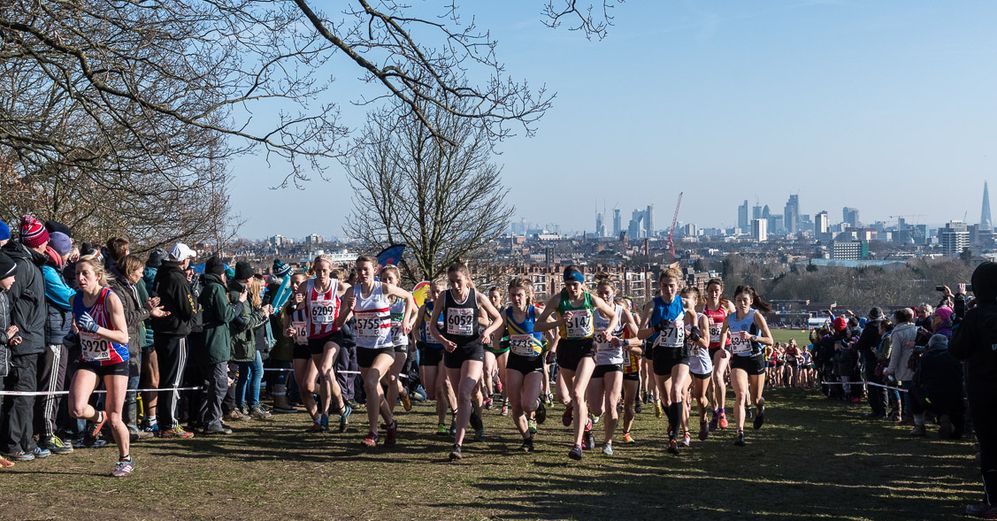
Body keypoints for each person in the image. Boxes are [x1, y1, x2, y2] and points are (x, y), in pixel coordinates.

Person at [535, 265, 617, 461]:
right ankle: (586, 424)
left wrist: (609, 331)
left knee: (578, 393)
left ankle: (576, 444)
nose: (572, 288)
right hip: (566, 348)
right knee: (572, 397)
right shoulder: (558, 300)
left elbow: (613, 315)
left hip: (587, 348)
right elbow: (538, 325)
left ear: (583, 283)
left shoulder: (590, 299)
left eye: (575, 284)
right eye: (568, 284)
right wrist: (559, 322)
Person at [335, 257, 414, 447]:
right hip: (363, 348)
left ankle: (373, 432)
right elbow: (339, 323)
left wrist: (406, 320)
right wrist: (349, 310)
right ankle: (391, 423)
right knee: (374, 390)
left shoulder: (383, 289)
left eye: (366, 269)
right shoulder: (352, 292)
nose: (362, 273)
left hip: (385, 347)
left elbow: (410, 298)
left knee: (370, 382)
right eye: (359, 270)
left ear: (375, 270)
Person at [67, 255, 134, 477]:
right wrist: (76, 330)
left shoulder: (110, 298)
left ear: (98, 276)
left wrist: (96, 328)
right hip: (91, 359)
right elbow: (77, 326)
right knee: (76, 409)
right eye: (77, 273)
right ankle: (98, 417)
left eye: (85, 273)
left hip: (115, 359)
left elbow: (123, 337)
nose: (80, 277)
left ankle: (125, 459)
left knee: (116, 417)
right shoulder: (74, 300)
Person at [429, 261, 504, 461]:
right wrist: (443, 341)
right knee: (462, 394)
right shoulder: (444, 298)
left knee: (464, 393)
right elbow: (432, 326)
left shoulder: (477, 297)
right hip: (452, 351)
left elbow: (498, 319)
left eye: (458, 281)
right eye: (451, 282)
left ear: (466, 279)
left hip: (473, 348)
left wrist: (487, 332)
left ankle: (458, 444)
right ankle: (473, 417)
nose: (455, 286)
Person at [950, 262, 997, 518]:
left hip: (984, 390)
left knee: (990, 448)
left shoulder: (976, 316)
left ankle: (993, 502)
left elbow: (957, 350)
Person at [2, 215, 50, 461]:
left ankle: (25, 441)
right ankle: (14, 444)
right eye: (43, 241)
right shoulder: (22, 266)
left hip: (32, 338)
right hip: (23, 340)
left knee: (26, 394)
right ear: (36, 242)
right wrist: (12, 330)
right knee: (21, 393)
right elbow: (7, 300)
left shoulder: (31, 263)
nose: (46, 245)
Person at [638, 266, 697, 454]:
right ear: (660, 286)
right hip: (660, 353)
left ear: (678, 286)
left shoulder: (684, 302)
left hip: (680, 352)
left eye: (671, 286)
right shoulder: (652, 305)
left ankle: (674, 437)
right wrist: (656, 328)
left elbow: (694, 314)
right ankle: (673, 424)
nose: (668, 290)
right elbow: (640, 333)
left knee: (676, 391)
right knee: (664, 397)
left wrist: (694, 329)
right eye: (664, 286)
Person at [108, 255, 166, 440]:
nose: (142, 276)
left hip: (134, 341)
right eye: (139, 272)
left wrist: (148, 308)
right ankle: (128, 427)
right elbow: (125, 318)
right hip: (124, 343)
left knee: (132, 388)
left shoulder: (130, 287)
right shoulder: (117, 289)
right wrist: (146, 311)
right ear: (130, 272)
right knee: (127, 389)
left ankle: (130, 426)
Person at [296, 255, 352, 432]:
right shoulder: (307, 286)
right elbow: (297, 308)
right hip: (314, 337)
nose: (321, 273)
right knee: (328, 376)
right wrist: (296, 302)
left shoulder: (339, 286)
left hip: (333, 334)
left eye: (324, 270)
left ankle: (326, 413)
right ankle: (343, 408)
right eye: (318, 270)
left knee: (325, 369)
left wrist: (347, 314)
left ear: (330, 270)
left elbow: (355, 297)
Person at [151, 242, 198, 439]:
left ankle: (165, 420)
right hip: (176, 332)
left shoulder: (161, 274)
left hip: (162, 330)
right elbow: (189, 309)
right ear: (183, 260)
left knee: (166, 377)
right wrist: (192, 294)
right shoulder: (177, 278)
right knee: (174, 380)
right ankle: (170, 422)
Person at [717, 285, 774, 447]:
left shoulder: (755, 316)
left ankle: (760, 409)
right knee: (741, 395)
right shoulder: (730, 318)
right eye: (738, 300)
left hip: (755, 358)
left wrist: (752, 337)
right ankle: (740, 432)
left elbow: (770, 340)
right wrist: (722, 348)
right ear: (734, 301)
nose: (742, 303)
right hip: (739, 360)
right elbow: (723, 332)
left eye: (745, 300)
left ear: (751, 301)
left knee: (756, 398)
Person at [587, 274, 637, 455]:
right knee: (596, 408)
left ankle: (608, 442)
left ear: (614, 293)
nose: (604, 296)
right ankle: (589, 423)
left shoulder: (622, 312)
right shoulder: (592, 314)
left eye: (607, 293)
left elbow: (639, 337)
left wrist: (623, 342)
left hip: (615, 362)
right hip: (596, 362)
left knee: (611, 404)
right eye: (600, 293)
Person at [36, 230, 76, 454]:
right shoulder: (48, 271)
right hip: (54, 336)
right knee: (51, 386)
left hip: (60, 333)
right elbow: (66, 297)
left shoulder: (54, 269)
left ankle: (48, 431)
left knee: (56, 386)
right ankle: (47, 434)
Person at [500, 278, 550, 453]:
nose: (516, 299)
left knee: (528, 404)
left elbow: (556, 331)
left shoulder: (536, 312)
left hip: (533, 362)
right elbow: (498, 337)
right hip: (515, 361)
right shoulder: (507, 314)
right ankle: (527, 439)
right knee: (516, 405)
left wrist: (551, 347)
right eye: (513, 295)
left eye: (520, 295)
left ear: (528, 295)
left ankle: (538, 405)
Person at [198, 257, 242, 435]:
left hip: (211, 339)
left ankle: (209, 419)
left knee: (212, 383)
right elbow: (225, 315)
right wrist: (238, 304)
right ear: (221, 273)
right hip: (216, 341)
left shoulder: (207, 286)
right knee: (220, 383)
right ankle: (213, 420)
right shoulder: (215, 288)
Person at [230, 263, 272, 420]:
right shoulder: (238, 294)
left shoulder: (240, 292)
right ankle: (253, 404)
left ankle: (241, 404)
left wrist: (263, 315)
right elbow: (245, 323)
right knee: (257, 371)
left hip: (247, 340)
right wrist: (262, 314)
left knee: (246, 373)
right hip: (244, 341)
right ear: (248, 278)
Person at [414, 279, 456, 435]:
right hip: (429, 350)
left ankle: (448, 420)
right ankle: (449, 416)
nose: (436, 294)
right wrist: (420, 340)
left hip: (445, 350)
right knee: (430, 392)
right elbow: (416, 328)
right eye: (434, 291)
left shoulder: (450, 309)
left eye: (439, 291)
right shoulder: (424, 309)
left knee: (443, 386)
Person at [381, 265, 416, 416]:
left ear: (397, 281)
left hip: (400, 342)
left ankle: (389, 413)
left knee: (393, 377)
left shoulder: (404, 299)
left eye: (390, 279)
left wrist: (408, 322)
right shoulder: (379, 298)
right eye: (384, 279)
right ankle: (403, 391)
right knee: (383, 378)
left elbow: (417, 312)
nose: (387, 282)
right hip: (383, 343)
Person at [702, 278, 734, 431]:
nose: (713, 293)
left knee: (717, 375)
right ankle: (714, 410)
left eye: (716, 290)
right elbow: (692, 322)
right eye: (711, 290)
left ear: (721, 291)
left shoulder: (727, 306)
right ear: (706, 291)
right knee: (709, 383)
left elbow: (738, 320)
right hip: (706, 346)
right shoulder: (701, 307)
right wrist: (703, 322)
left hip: (723, 345)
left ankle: (722, 412)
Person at [682, 287, 713, 442]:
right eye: (681, 299)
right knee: (682, 394)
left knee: (700, 398)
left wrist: (693, 336)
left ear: (695, 301)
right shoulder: (678, 318)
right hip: (685, 361)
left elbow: (705, 343)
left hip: (700, 361)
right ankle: (685, 433)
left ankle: (703, 420)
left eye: (687, 299)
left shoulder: (702, 318)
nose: (684, 302)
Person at [0, 251, 18, 469]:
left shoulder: (4, 295)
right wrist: (6, 336)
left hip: (3, 361)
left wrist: (13, 337)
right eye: (10, 275)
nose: (14, 279)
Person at [482, 286, 509, 415]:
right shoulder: (486, 311)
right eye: (491, 297)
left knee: (504, 377)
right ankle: (490, 396)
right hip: (489, 346)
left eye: (495, 297)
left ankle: (505, 403)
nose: (492, 299)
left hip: (503, 347)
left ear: (501, 298)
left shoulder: (505, 312)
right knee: (487, 369)